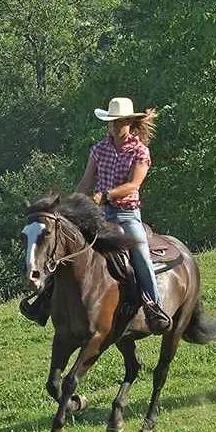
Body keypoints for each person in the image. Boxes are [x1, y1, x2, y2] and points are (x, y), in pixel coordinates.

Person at [76, 97, 172, 333]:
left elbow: (133, 185)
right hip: (99, 215)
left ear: (130, 123)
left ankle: (154, 307)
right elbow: (86, 182)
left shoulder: (140, 152)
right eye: (112, 122)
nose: (114, 126)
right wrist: (73, 202)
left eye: (119, 122)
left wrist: (106, 195)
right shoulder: (98, 150)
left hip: (126, 214)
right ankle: (47, 300)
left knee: (140, 253)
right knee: (68, 245)